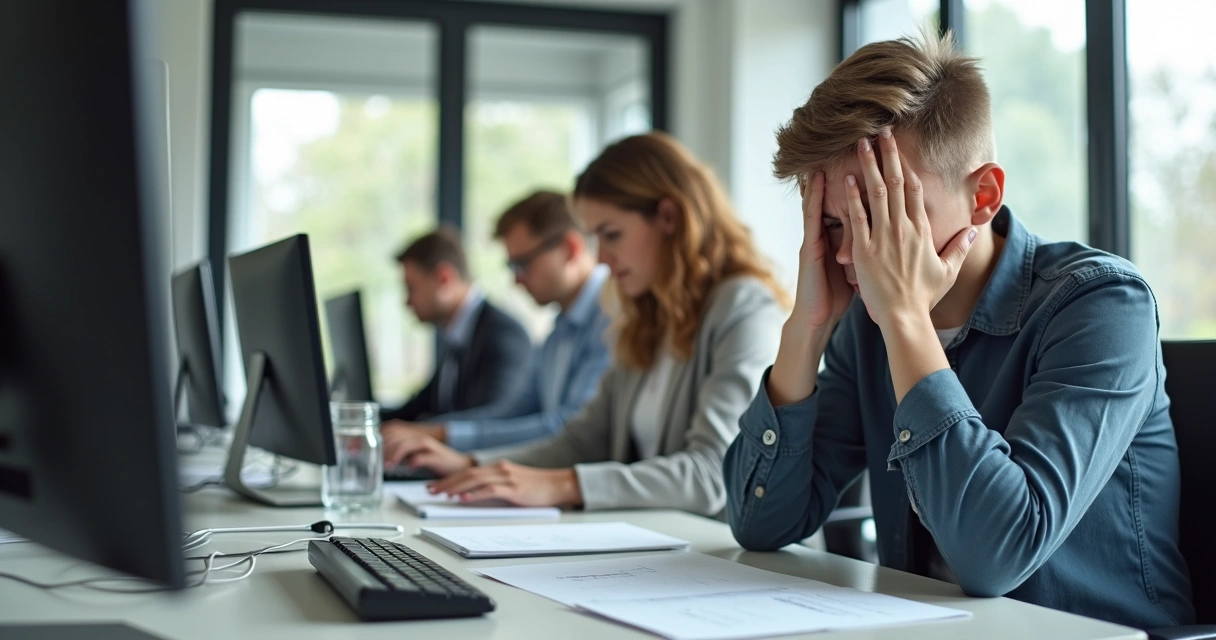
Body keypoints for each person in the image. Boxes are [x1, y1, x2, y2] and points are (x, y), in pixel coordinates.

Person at [723, 30, 1194, 629]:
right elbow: (760, 524)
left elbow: (996, 556)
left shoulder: (1102, 305)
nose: (855, 255)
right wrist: (805, 329)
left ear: (984, 196)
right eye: (838, 224)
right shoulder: (865, 324)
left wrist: (904, 318)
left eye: (884, 213)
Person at [382, 132, 787, 516]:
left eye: (612, 235)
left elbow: (713, 471)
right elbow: (583, 438)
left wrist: (563, 485)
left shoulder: (742, 307)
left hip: (731, 558)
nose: (603, 259)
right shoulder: (647, 315)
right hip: (664, 544)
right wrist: (480, 468)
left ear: (668, 217)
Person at [383, 190, 612, 451]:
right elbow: (516, 412)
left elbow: (568, 427)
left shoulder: (611, 321)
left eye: (522, 264)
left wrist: (444, 438)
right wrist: (436, 434)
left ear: (570, 249)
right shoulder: (560, 329)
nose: (516, 281)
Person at [380, 227, 532, 424]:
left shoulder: (503, 335)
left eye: (411, 287)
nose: (407, 301)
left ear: (444, 278)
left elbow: (492, 419)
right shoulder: (458, 333)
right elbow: (420, 406)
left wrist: (422, 433)